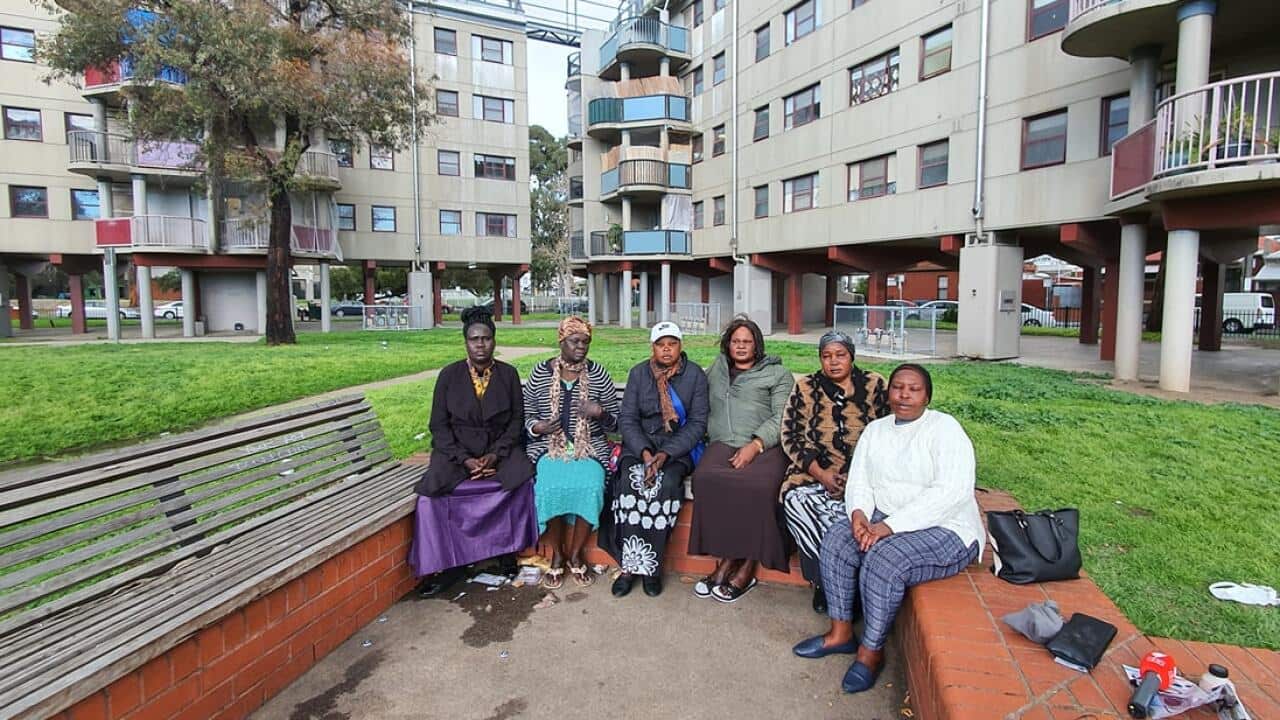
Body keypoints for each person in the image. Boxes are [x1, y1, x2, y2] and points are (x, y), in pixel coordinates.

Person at [792, 364, 983, 694]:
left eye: (914, 389)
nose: (904, 394)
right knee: (838, 539)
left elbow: (951, 493)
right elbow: (862, 480)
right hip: (885, 519)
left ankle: (871, 652)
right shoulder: (877, 430)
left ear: (928, 396)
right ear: (889, 392)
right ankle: (841, 634)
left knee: (885, 560)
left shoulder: (944, 429)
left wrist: (889, 527)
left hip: (947, 526)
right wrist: (859, 516)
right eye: (897, 387)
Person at [408, 306, 538, 595]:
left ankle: (507, 551)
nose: (480, 344)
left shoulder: (508, 374)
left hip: (498, 450)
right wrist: (465, 460)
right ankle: (447, 564)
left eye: (486, 338)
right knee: (431, 496)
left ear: (494, 340)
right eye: (474, 339)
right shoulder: (448, 376)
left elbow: (516, 422)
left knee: (522, 480)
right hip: (456, 452)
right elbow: (439, 426)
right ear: (465, 342)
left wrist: (495, 455)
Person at [780, 330, 890, 615]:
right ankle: (824, 581)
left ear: (851, 356)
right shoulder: (806, 387)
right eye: (826, 356)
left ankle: (851, 580)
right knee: (797, 502)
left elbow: (891, 432)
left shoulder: (875, 384)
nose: (833, 362)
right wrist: (822, 473)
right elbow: (790, 435)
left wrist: (855, 479)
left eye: (840, 355)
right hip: (814, 473)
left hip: (866, 475)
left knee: (853, 511)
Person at [688, 316, 795, 602]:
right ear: (727, 344)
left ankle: (745, 565)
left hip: (767, 446)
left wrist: (756, 445)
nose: (741, 346)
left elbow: (782, 416)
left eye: (747, 341)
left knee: (758, 488)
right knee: (705, 479)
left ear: (757, 344)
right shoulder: (718, 369)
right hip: (723, 443)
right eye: (736, 341)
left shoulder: (777, 374)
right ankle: (727, 558)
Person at [600, 320, 708, 598]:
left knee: (667, 486)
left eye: (672, 344)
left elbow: (697, 423)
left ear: (680, 346)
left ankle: (651, 567)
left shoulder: (694, 375)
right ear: (653, 348)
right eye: (661, 345)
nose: (667, 350)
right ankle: (628, 566)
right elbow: (627, 419)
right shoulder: (639, 374)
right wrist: (646, 453)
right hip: (640, 447)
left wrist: (665, 454)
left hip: (676, 450)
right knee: (628, 484)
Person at [524, 316, 620, 589]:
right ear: (561, 341)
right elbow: (527, 415)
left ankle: (576, 555)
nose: (581, 347)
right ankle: (557, 555)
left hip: (589, 450)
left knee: (590, 485)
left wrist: (599, 412)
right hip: (548, 449)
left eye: (586, 342)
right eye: (574, 341)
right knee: (547, 487)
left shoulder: (598, 374)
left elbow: (616, 423)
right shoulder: (541, 372)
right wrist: (538, 426)